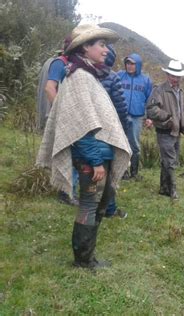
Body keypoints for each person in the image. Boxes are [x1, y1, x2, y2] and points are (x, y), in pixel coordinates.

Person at [36, 24, 131, 269]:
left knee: (98, 204)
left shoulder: (88, 73)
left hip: (98, 152)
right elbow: (79, 124)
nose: (105, 49)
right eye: (100, 44)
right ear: (85, 47)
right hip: (92, 156)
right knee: (89, 204)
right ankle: (83, 260)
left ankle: (88, 256)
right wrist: (94, 160)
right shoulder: (79, 77)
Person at [37, 37, 79, 207]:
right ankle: (65, 192)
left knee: (74, 153)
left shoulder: (72, 64)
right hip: (62, 116)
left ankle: (68, 189)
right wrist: (60, 111)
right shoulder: (60, 63)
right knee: (67, 153)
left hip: (72, 116)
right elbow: (49, 88)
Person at [145, 60, 184, 200]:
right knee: (170, 161)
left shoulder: (181, 91)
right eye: (172, 75)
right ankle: (173, 191)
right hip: (165, 131)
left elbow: (183, 109)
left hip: (176, 132)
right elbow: (151, 109)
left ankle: (164, 189)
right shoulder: (159, 90)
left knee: (168, 160)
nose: (175, 79)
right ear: (167, 75)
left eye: (177, 76)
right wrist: (167, 118)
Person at [100, 44, 130, 219]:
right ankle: (109, 209)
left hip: (89, 130)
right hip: (109, 131)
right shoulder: (113, 78)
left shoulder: (84, 75)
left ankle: (92, 205)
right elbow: (120, 108)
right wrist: (123, 132)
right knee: (110, 172)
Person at [118, 53, 153, 180]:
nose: (129, 66)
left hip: (137, 117)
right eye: (128, 63)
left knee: (135, 146)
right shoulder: (119, 76)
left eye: (132, 63)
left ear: (137, 65)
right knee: (120, 143)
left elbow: (150, 100)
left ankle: (134, 172)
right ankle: (122, 172)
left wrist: (149, 117)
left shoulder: (146, 80)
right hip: (120, 116)